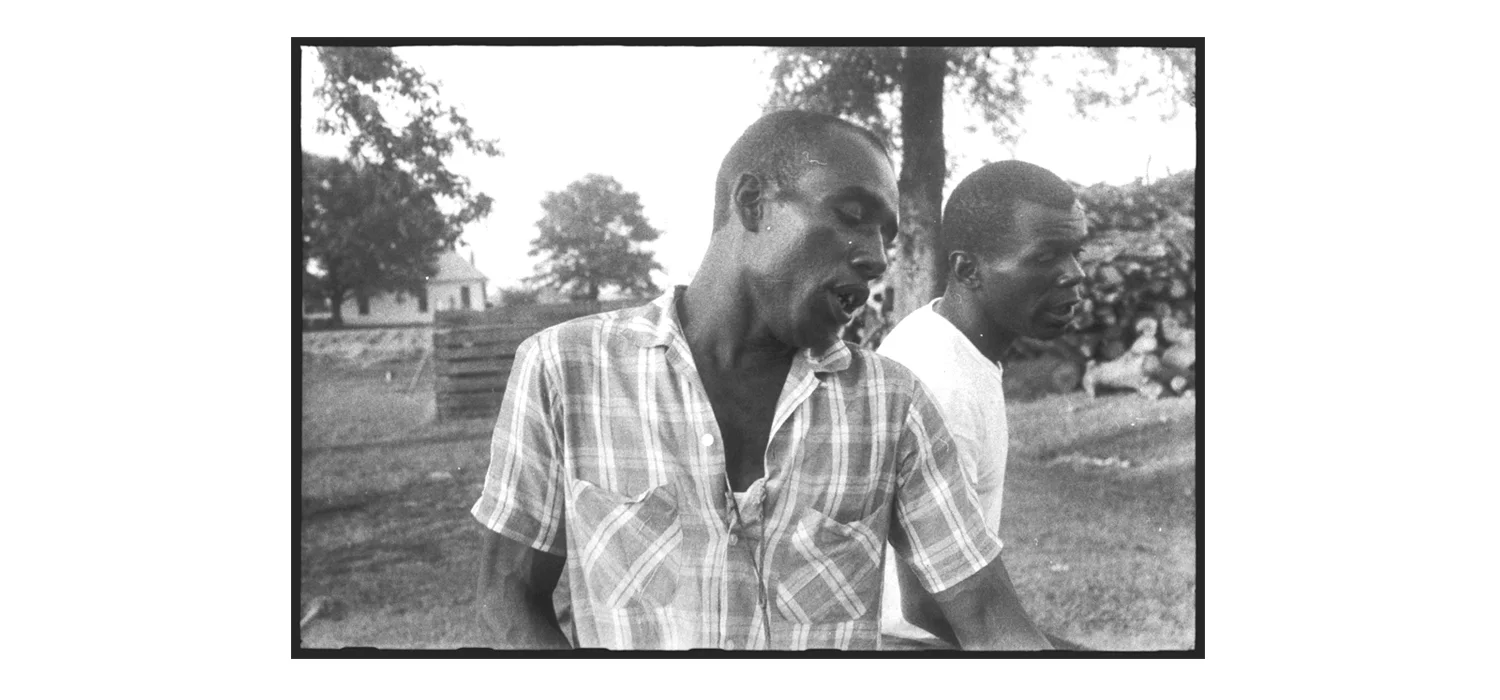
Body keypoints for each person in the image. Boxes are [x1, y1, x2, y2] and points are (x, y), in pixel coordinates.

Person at [472, 111, 1051, 650]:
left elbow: (986, 615)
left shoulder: (891, 404)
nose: (877, 258)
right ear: (752, 203)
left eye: (886, 237)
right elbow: (507, 598)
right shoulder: (566, 369)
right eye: (852, 216)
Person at [877, 160, 1087, 649]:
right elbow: (928, 606)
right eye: (1046, 258)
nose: (1074, 275)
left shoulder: (942, 337)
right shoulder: (939, 383)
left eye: (1076, 253)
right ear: (967, 269)